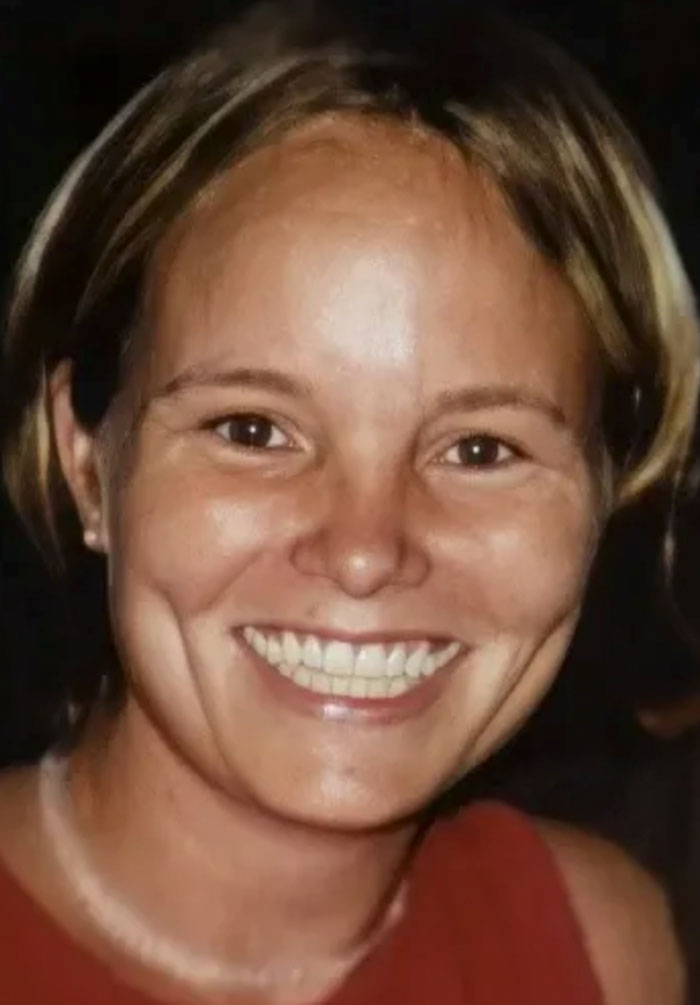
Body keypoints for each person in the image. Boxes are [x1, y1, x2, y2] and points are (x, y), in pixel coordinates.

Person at [0, 2, 696, 1002]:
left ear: (603, 490)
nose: (367, 549)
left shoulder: (601, 946)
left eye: (479, 448)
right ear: (84, 461)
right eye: (252, 431)